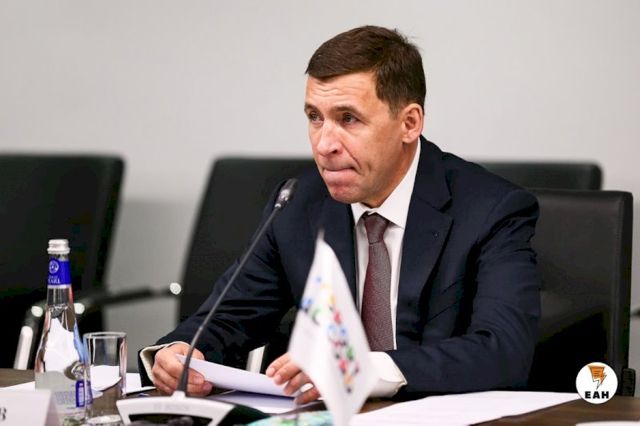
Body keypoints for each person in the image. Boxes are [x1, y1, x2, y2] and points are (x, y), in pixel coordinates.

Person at [140, 25, 540, 403]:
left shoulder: (491, 210)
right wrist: (180, 352)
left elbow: (503, 350)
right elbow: (230, 317)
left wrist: (357, 369)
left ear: (409, 123)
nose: (324, 144)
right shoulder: (298, 204)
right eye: (315, 117)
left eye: (348, 119)